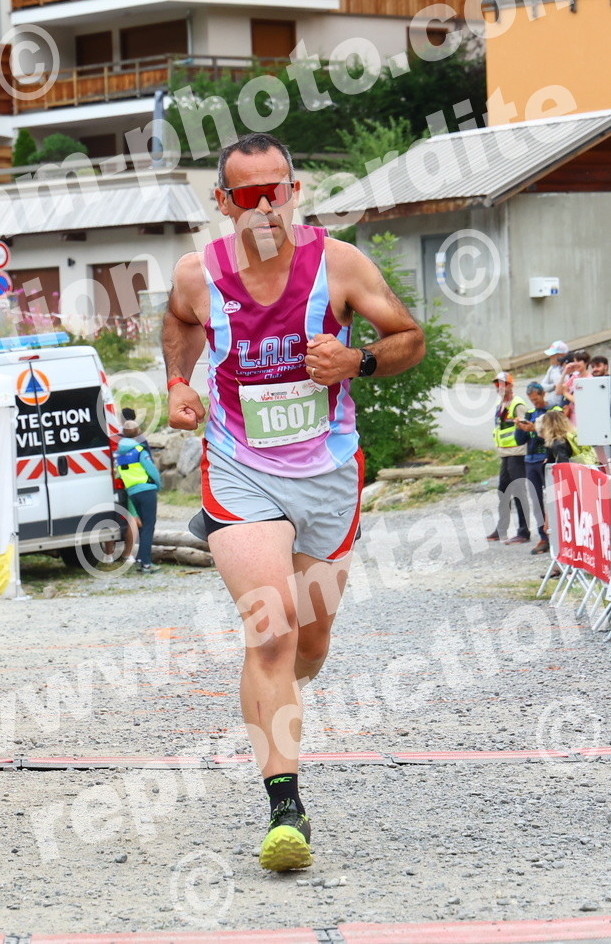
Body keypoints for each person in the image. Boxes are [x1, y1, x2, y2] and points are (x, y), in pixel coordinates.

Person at [163, 131, 425, 873]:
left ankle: (277, 686)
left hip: (328, 473)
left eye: (276, 190)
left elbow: (409, 338)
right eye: (248, 195)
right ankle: (286, 809)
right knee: (272, 631)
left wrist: (358, 359)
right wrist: (179, 382)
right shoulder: (198, 275)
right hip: (240, 470)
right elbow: (179, 323)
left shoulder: (340, 266)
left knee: (309, 644)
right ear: (224, 203)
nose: (265, 207)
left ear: (295, 191)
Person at [487, 371, 531, 545]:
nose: (500, 387)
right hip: (505, 453)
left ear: (511, 385)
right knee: (503, 490)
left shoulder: (517, 404)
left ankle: (524, 531)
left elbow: (526, 428)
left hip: (517, 453)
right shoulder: (500, 405)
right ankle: (501, 528)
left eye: (503, 384)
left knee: (519, 491)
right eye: (497, 384)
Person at [115, 415, 162, 574]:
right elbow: (151, 470)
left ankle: (141, 559)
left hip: (132, 491)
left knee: (142, 526)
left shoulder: (119, 454)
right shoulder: (139, 450)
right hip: (146, 489)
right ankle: (146, 563)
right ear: (137, 433)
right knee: (149, 526)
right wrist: (158, 485)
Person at [516, 381, 550, 555]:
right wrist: (519, 428)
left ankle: (557, 535)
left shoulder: (552, 411)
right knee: (536, 501)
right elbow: (519, 441)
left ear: (543, 394)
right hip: (530, 461)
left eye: (536, 399)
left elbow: (554, 432)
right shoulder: (530, 414)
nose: (534, 403)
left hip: (547, 460)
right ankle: (543, 537)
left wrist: (535, 428)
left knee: (553, 499)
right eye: (531, 400)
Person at [540, 341, 569, 408]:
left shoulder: (570, 367)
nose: (550, 358)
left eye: (553, 356)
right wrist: (553, 386)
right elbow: (543, 386)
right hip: (552, 402)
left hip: (565, 403)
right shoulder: (552, 369)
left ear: (562, 355)